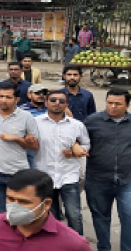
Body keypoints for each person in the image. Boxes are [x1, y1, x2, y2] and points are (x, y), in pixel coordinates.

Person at [83, 89, 131, 251]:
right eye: (109, 102)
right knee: (101, 216)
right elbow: (78, 140)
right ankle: (104, 248)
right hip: (97, 178)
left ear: (127, 105)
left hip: (126, 179)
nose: (112, 107)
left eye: (118, 104)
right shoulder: (92, 122)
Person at [35, 91, 90, 235]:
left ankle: (77, 246)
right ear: (46, 102)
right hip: (44, 174)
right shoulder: (35, 123)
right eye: (53, 100)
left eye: (61, 101)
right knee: (50, 216)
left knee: (74, 215)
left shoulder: (76, 125)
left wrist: (75, 152)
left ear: (67, 105)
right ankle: (55, 247)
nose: (57, 103)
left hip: (68, 174)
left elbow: (86, 144)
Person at [0, 83, 40, 214]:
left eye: (8, 97)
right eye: (1, 96)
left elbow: (35, 146)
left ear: (17, 99)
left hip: (17, 172)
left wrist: (17, 139)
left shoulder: (26, 117)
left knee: (16, 212)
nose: (3, 100)